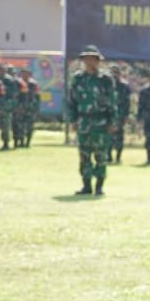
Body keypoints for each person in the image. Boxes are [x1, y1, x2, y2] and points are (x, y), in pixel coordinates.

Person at [66, 45, 117, 195]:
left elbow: (112, 101)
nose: (89, 62)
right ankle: (86, 186)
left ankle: (99, 186)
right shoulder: (78, 78)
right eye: (86, 59)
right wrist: (73, 120)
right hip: (84, 122)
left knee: (101, 156)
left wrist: (112, 121)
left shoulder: (106, 79)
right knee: (84, 155)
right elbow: (71, 101)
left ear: (98, 61)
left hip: (101, 122)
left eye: (92, 59)